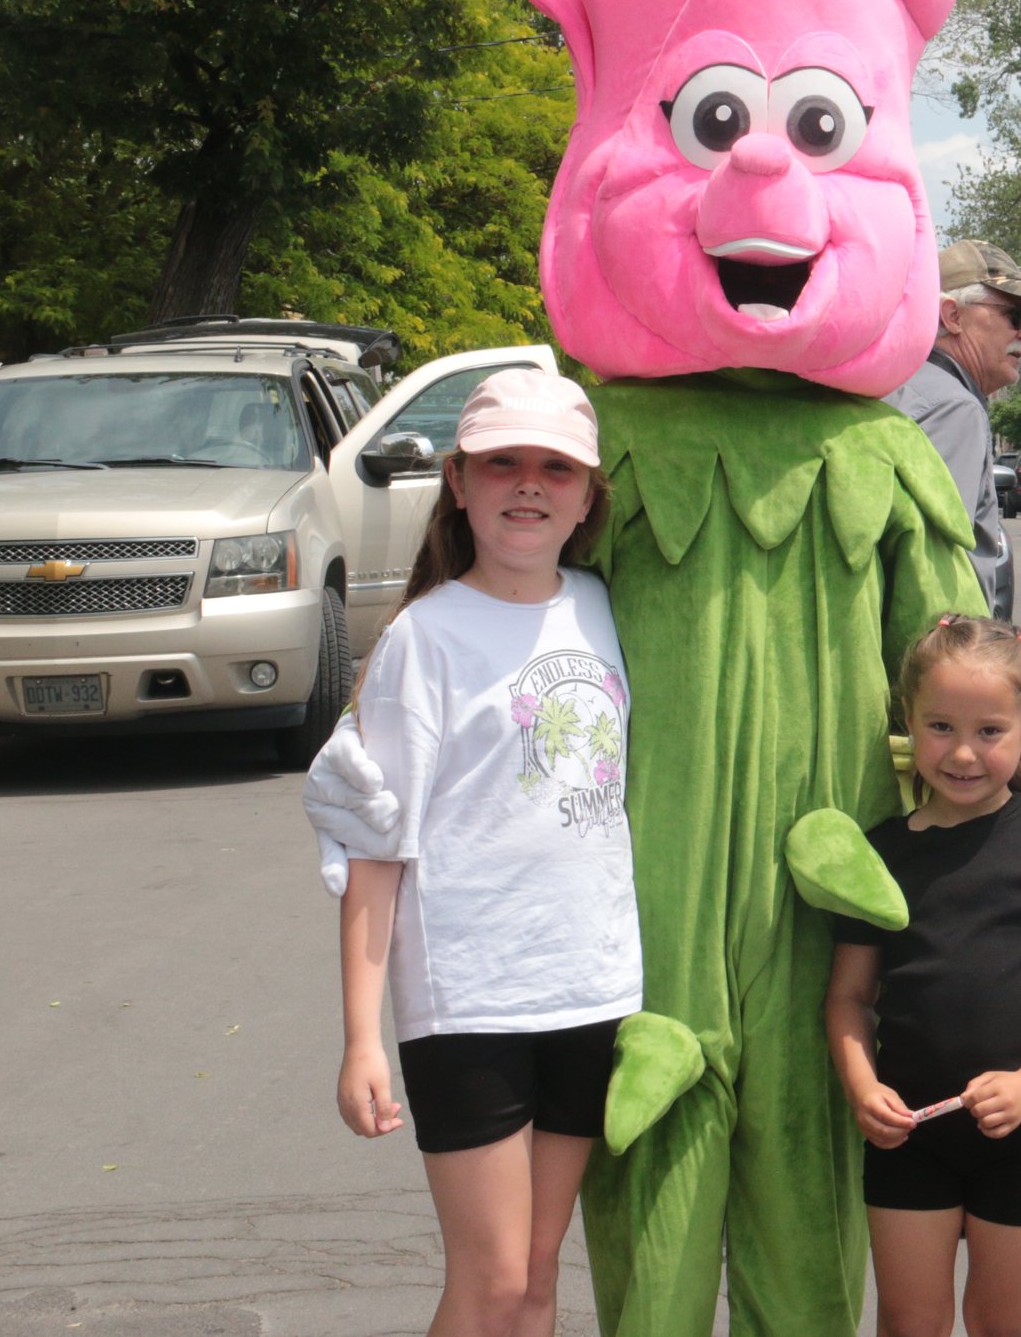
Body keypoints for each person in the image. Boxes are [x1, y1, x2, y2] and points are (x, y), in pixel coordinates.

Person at [330, 371, 639, 1337]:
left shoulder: (604, 607)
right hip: (469, 1002)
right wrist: (361, 1035)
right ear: (458, 482)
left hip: (592, 987)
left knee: (540, 1279)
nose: (529, 484)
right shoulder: (422, 639)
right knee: (494, 1282)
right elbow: (376, 848)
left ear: (589, 496)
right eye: (502, 461)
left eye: (557, 466)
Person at [826, 614, 1021, 1337]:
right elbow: (849, 997)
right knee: (910, 1323)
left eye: (989, 730)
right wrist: (863, 1088)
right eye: (939, 726)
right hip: (910, 1136)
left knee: (1002, 1323)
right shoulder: (881, 854)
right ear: (908, 722)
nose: (962, 752)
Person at [886, 240, 1021, 619]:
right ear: (952, 316)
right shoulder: (954, 407)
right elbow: (933, 564)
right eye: (1015, 316)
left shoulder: (905, 384)